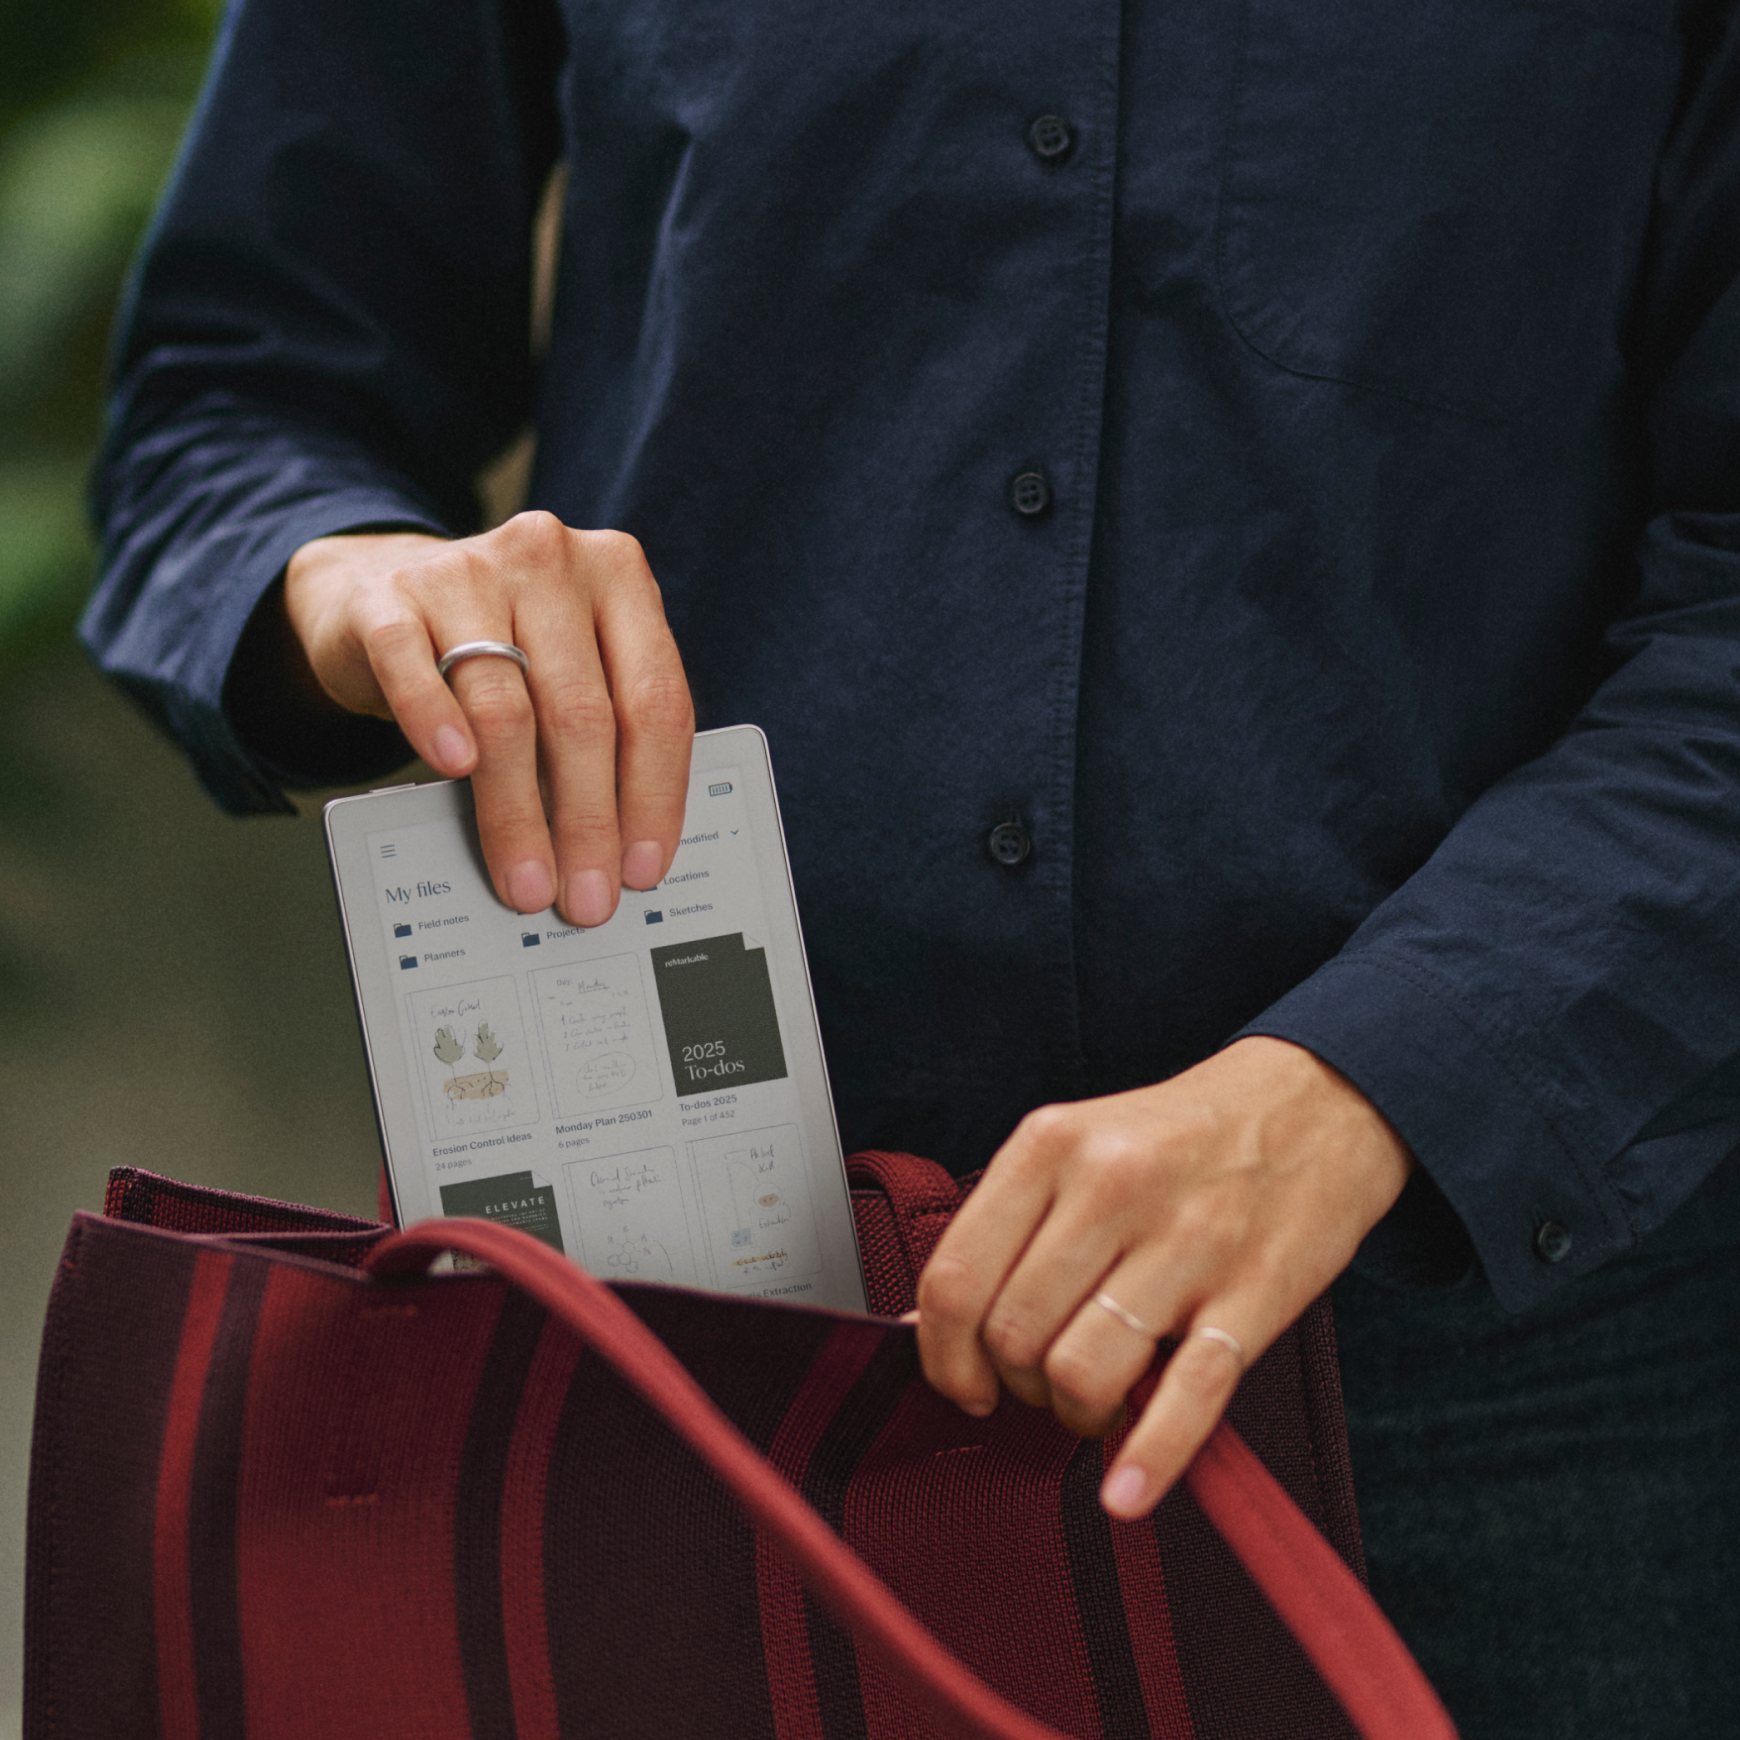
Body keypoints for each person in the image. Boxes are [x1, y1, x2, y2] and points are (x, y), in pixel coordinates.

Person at [85, 1, 1740, 1732]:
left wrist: (1374, 1078)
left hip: (1520, 1389)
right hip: (699, 1360)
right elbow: (237, 392)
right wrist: (350, 586)